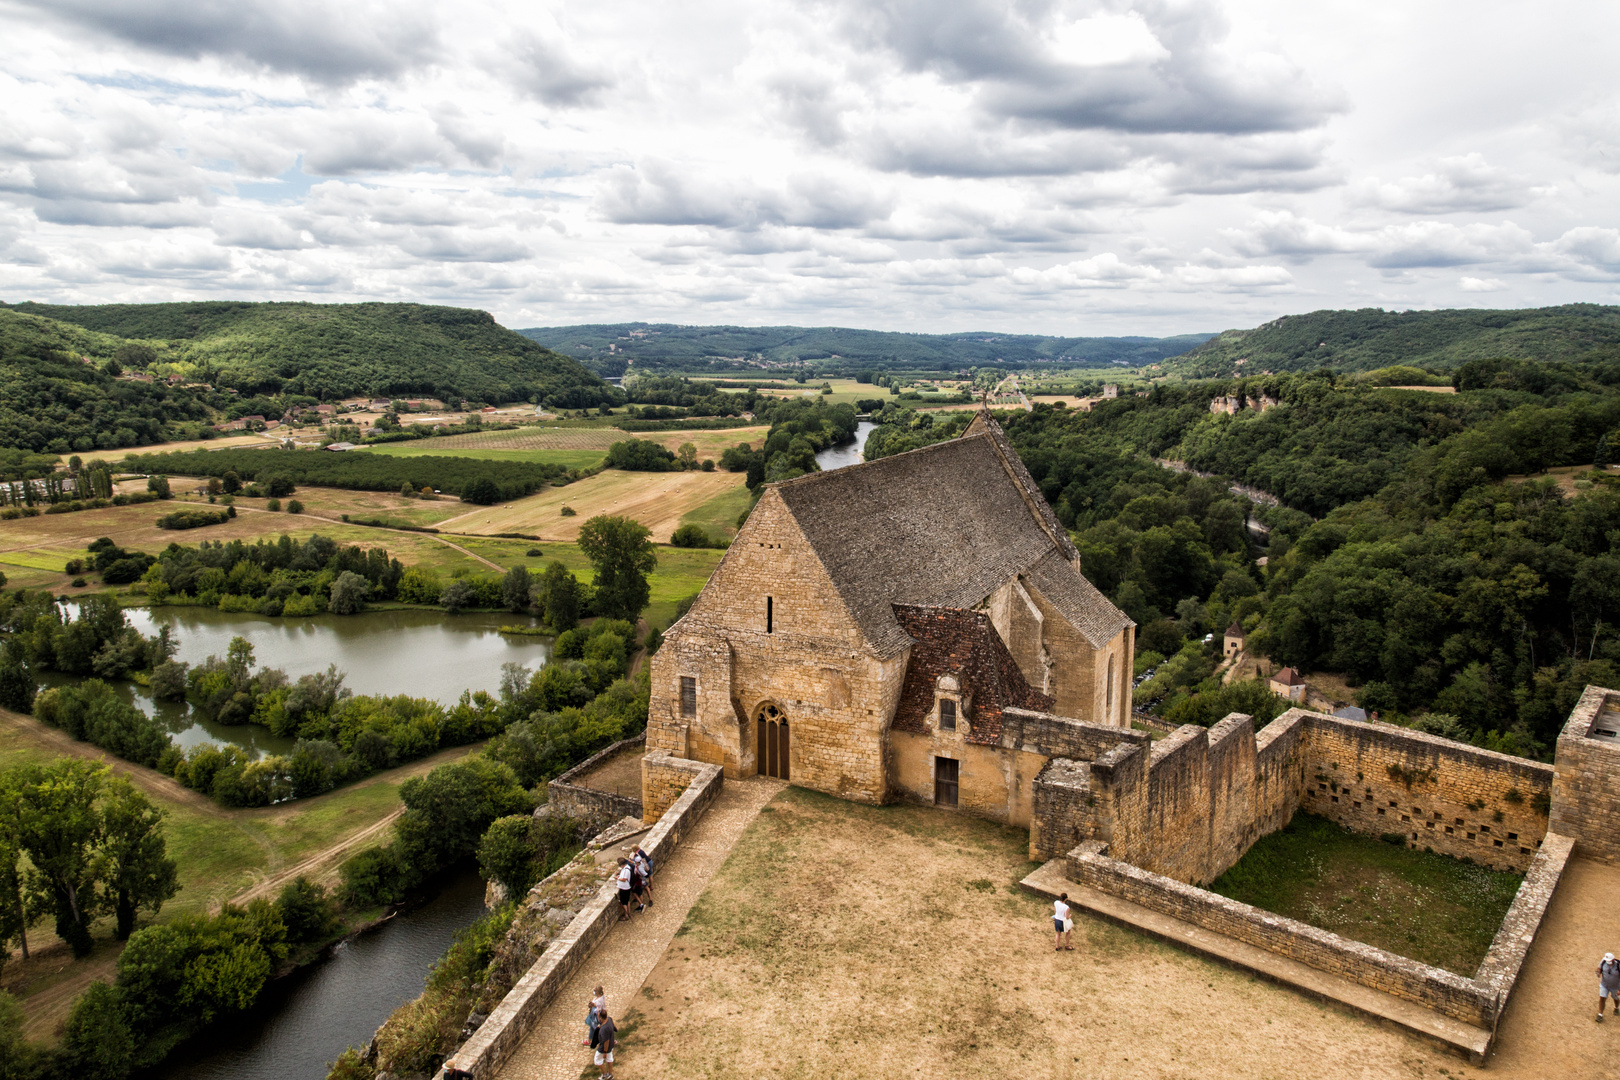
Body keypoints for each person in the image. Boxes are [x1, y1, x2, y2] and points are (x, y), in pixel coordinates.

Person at [594, 1006, 618, 1079]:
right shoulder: (609, 1019)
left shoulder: (604, 1029)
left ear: (601, 1018)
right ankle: (610, 1074)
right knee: (609, 1059)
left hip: (605, 1047)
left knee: (597, 1060)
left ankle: (604, 1074)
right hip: (611, 1045)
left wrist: (604, 1052)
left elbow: (606, 1041)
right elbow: (613, 1025)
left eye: (598, 1017)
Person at [1599, 952, 1620, 1021]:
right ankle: (1600, 1014)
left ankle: (1616, 1008)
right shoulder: (1603, 961)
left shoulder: (1618, 965)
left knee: (1615, 998)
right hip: (1604, 985)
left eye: (1609, 961)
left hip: (1615, 987)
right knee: (1602, 998)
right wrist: (1598, 972)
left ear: (1613, 960)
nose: (1608, 963)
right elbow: (1599, 968)